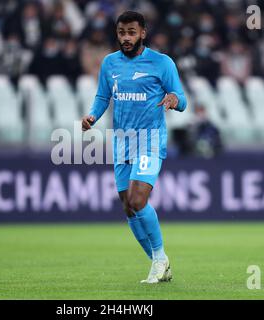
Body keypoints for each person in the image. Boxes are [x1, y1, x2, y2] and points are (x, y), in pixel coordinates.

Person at [81, 11, 187, 284]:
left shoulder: (162, 63)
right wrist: (93, 115)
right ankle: (159, 261)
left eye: (131, 32)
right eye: (121, 32)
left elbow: (183, 99)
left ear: (143, 33)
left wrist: (174, 98)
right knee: (128, 207)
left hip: (149, 140)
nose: (126, 38)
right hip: (121, 141)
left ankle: (160, 258)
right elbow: (103, 96)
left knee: (138, 199)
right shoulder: (109, 63)